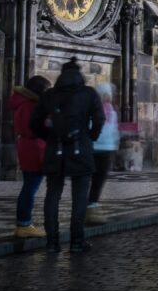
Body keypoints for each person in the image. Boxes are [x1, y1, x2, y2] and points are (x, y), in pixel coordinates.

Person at [30, 59, 104, 253]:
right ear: (79, 75)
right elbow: (99, 120)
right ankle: (77, 242)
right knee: (79, 198)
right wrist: (90, 137)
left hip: (55, 149)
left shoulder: (49, 95)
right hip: (81, 149)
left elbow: (34, 123)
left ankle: (52, 243)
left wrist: (49, 137)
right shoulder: (88, 94)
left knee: (52, 195)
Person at [9, 75, 51, 238]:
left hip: (27, 147)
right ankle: (24, 223)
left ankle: (24, 223)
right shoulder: (30, 105)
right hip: (34, 148)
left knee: (29, 186)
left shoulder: (23, 103)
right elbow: (34, 128)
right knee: (30, 187)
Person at [86, 82, 119, 225]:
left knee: (98, 180)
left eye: (108, 95)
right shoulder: (91, 110)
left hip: (106, 149)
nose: (107, 97)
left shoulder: (112, 111)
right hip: (94, 148)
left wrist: (115, 141)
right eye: (104, 94)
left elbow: (113, 130)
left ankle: (92, 205)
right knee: (89, 179)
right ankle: (87, 207)